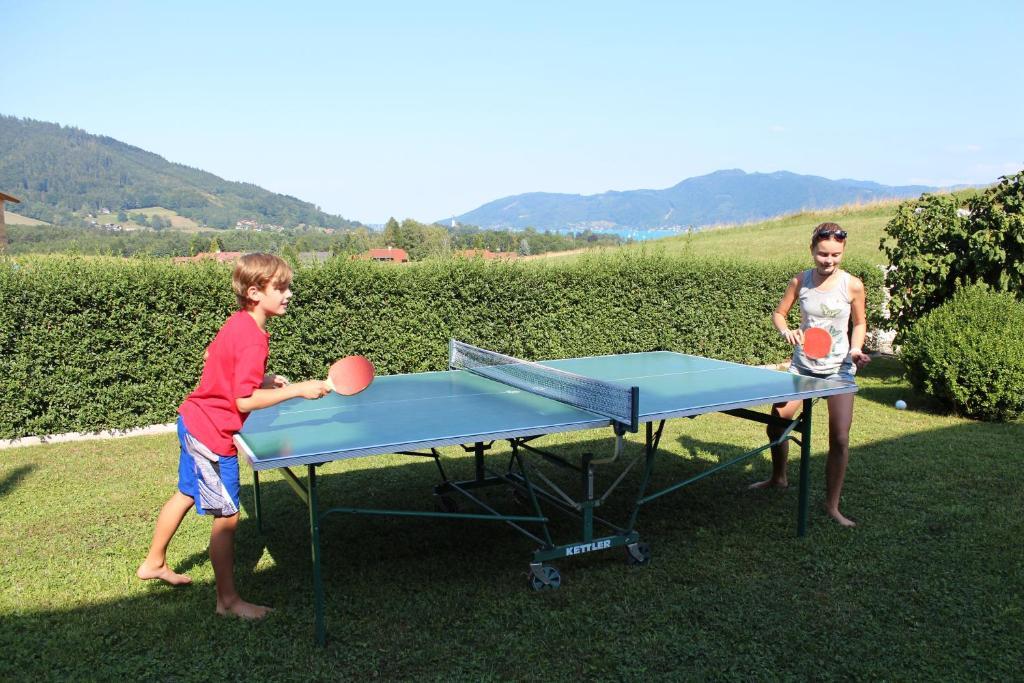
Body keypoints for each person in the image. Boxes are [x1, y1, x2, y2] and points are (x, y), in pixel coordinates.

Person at [137, 253, 329, 618]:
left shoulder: (239, 323)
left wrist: (263, 378)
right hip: (211, 434)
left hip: (193, 420)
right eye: (281, 288)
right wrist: (298, 389)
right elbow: (243, 399)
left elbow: (219, 359)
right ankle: (227, 601)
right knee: (227, 517)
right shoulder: (254, 339)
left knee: (186, 493)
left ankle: (154, 563)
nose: (289, 294)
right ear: (255, 293)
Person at [750, 222, 871, 527]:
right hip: (801, 367)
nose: (829, 260)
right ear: (812, 250)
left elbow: (859, 323)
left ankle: (832, 506)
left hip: (839, 370)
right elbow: (779, 314)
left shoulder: (852, 285)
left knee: (840, 439)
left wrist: (856, 349)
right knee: (776, 425)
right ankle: (779, 477)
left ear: (842, 252)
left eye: (835, 255)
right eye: (823, 254)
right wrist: (785, 330)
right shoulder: (799, 282)